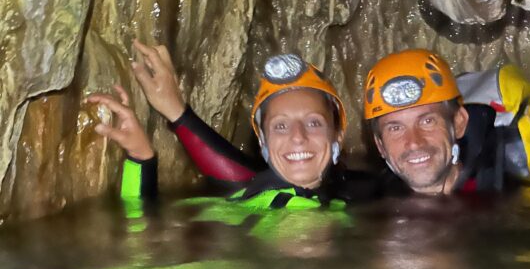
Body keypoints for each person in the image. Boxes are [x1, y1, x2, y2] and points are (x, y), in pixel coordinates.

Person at [91, 47, 364, 210]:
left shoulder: (354, 196)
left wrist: (141, 159)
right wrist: (140, 158)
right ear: (263, 142)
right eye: (280, 126)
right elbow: (138, 223)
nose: (298, 137)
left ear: (338, 134)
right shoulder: (253, 201)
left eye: (314, 123)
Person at [363, 49, 530, 196]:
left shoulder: (510, 188)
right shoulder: (373, 203)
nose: (414, 142)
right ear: (380, 146)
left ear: (459, 123)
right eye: (395, 128)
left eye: (427, 121)